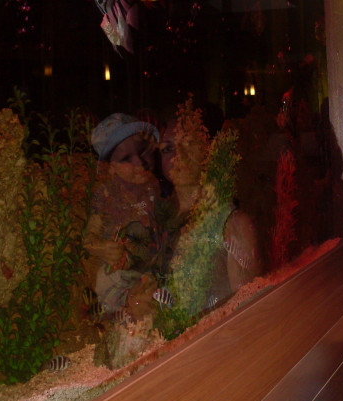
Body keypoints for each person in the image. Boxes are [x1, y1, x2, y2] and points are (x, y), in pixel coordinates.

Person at [159, 100, 264, 313]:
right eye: (168, 148)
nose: (178, 156)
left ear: (207, 149)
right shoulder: (159, 219)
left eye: (188, 144)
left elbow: (248, 307)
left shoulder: (231, 222)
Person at [84, 112, 162, 313]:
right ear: (111, 167)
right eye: (126, 158)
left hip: (150, 272)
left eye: (141, 151)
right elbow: (88, 238)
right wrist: (102, 247)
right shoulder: (106, 192)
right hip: (118, 279)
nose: (139, 163)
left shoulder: (152, 187)